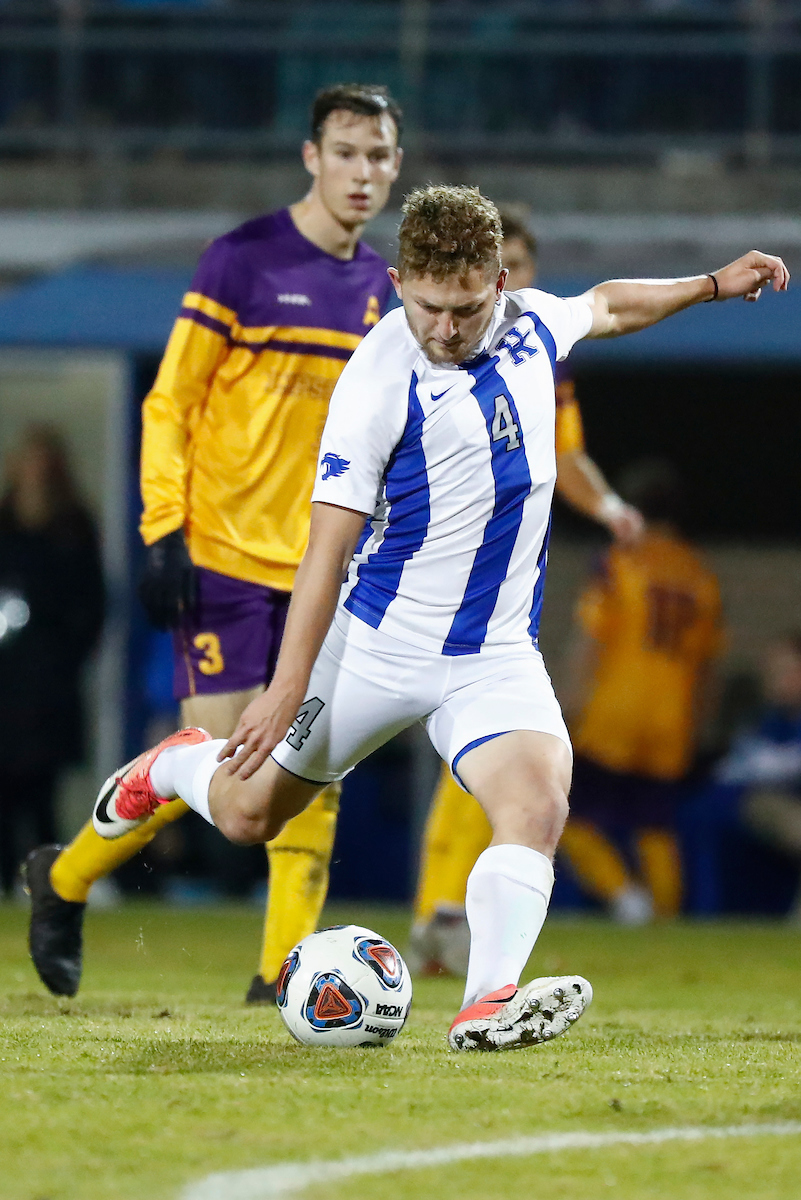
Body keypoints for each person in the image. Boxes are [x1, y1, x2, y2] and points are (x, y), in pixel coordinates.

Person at [91, 186, 787, 1051]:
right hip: (377, 647)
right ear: (395, 283)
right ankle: (173, 769)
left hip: (493, 654)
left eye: (464, 308)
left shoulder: (531, 326)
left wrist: (712, 284)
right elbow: (324, 553)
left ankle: (487, 1001)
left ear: (498, 282)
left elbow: (605, 304)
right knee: (243, 815)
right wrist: (283, 686)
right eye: (427, 307)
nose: (446, 328)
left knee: (536, 806)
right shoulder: (376, 382)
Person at [25, 83, 402, 1000]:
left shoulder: (386, 294)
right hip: (227, 559)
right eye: (346, 152)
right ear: (310, 158)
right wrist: (163, 530)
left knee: (313, 768)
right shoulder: (242, 261)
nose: (363, 173)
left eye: (380, 156)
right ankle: (64, 881)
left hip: (324, 571)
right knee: (230, 777)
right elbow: (172, 400)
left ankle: (278, 974)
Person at [410, 209, 644, 975]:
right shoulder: (425, 343)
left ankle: (441, 916)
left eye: (519, 263)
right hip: (410, 584)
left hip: (496, 592)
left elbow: (566, 455)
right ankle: (435, 914)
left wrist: (608, 507)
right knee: (297, 766)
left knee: (484, 759)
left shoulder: (543, 355)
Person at [558, 462, 723, 923]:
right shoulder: (699, 574)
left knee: (568, 813)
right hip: (671, 716)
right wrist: (698, 721)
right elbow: (708, 661)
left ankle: (625, 897)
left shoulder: (621, 561)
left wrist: (569, 704)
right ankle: (665, 917)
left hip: (615, 710)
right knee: (656, 823)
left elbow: (591, 639)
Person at [0, 427, 103, 897]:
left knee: (41, 790)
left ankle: (47, 888)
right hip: (6, 683)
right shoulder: (4, 524)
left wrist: (63, 658)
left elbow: (94, 606)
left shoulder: (74, 527)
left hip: (48, 688)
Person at [682, 632, 801, 918]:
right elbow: (733, 771)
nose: (776, 678)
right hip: (758, 803)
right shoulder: (765, 721)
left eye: (786, 670)